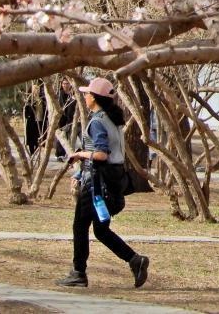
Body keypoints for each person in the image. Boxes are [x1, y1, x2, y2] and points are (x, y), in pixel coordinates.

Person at [55, 77, 149, 289]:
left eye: (88, 93)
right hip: (113, 180)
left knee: (80, 225)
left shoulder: (97, 122)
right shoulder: (113, 120)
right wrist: (79, 172)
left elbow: (101, 155)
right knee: (100, 230)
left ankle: (78, 273)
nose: (85, 96)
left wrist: (80, 155)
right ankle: (135, 260)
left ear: (95, 98)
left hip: (96, 183)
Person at [55, 77, 77, 160]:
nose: (65, 85)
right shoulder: (60, 94)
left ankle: (67, 153)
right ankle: (59, 154)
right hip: (62, 118)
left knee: (69, 136)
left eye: (67, 83)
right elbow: (62, 105)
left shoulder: (73, 93)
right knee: (61, 135)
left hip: (71, 118)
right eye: (64, 83)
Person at [23, 80, 47, 156]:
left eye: (38, 89)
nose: (36, 90)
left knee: (39, 139)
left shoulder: (42, 100)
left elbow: (45, 110)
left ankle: (36, 152)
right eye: (35, 89)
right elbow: (25, 111)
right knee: (31, 139)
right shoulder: (29, 100)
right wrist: (28, 116)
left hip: (40, 121)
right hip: (32, 122)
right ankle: (31, 153)